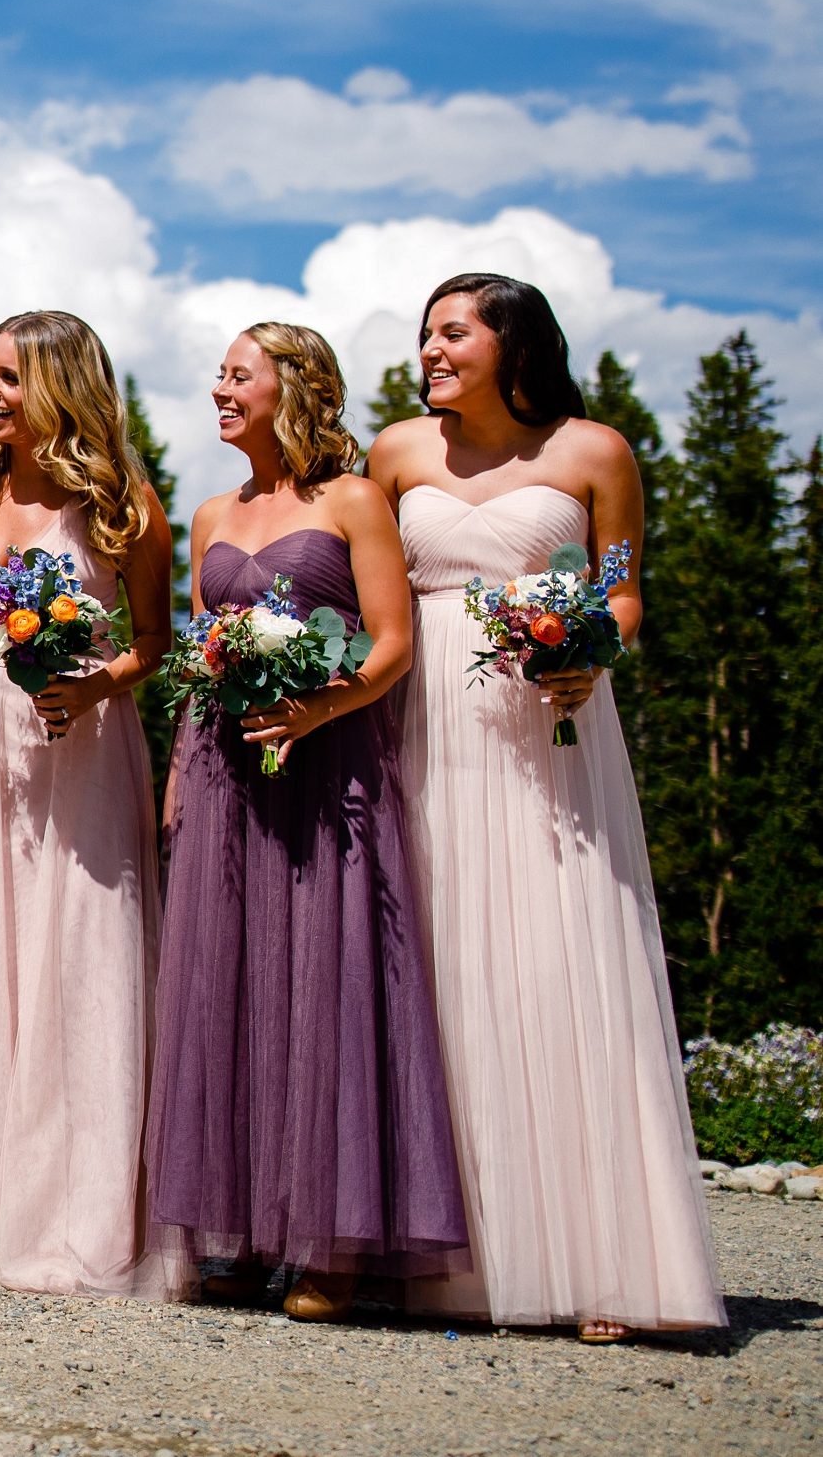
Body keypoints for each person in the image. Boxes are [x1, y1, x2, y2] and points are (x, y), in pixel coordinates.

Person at [373, 273, 723, 1340]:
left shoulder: (592, 452)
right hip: (423, 728)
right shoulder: (393, 454)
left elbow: (618, 589)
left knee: (558, 961)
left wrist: (591, 651)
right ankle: (447, 1257)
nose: (428, 348)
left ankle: (598, 1256)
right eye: (424, 330)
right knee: (435, 964)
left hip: (548, 728)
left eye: (450, 330)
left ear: (510, 340)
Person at [149, 324, 467, 1319]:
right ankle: (240, 1229)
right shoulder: (205, 513)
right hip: (223, 769)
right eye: (218, 373)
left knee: (324, 981)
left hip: (327, 766)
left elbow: (391, 643)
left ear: (295, 386)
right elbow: (198, 654)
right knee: (230, 981)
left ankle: (335, 1239)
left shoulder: (352, 499)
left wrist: (317, 706)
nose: (218, 388)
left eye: (237, 374)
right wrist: (174, 774)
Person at [0, 310, 191, 1300]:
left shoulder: (122, 505)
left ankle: (73, 1211)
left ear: (60, 387)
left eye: (6, 377)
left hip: (79, 749)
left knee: (77, 961)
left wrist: (97, 683)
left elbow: (153, 636)